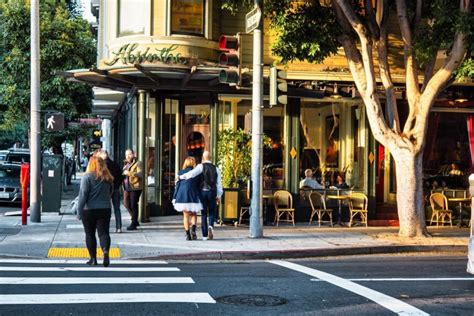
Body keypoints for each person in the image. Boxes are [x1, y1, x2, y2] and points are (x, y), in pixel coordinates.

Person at [76, 156, 114, 267]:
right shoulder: (108, 177)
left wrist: (79, 211)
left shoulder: (87, 177)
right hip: (105, 209)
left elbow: (83, 195)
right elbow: (111, 193)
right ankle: (105, 250)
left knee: (90, 234)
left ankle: (93, 259)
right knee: (104, 233)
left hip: (89, 210)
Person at [178, 151, 223, 240]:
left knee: (203, 214)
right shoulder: (216, 169)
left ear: (203, 158)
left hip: (202, 192)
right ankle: (210, 226)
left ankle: (205, 236)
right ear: (211, 158)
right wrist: (218, 196)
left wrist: (181, 177)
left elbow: (191, 174)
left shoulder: (200, 166)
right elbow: (219, 184)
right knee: (211, 212)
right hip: (212, 192)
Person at [173, 156, 203, 241]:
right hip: (193, 195)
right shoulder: (197, 173)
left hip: (183, 196)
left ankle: (187, 234)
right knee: (194, 214)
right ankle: (193, 230)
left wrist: (174, 197)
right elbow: (200, 185)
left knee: (185, 215)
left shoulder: (180, 172)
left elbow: (177, 186)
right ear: (194, 163)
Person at [98, 149, 123, 233]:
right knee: (117, 208)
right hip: (115, 189)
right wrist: (117, 185)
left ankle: (105, 228)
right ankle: (118, 227)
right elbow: (120, 177)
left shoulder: (102, 166)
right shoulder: (115, 164)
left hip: (105, 190)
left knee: (106, 209)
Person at [122, 149, 143, 231]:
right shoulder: (126, 164)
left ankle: (134, 223)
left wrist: (129, 173)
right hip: (127, 187)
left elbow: (141, 174)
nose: (127, 156)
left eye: (129, 154)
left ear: (134, 154)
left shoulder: (139, 163)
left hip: (135, 187)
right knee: (126, 204)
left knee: (133, 204)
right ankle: (134, 219)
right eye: (126, 155)